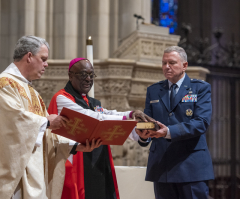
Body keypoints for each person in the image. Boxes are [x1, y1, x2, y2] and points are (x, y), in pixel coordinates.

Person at [0, 36, 101, 199]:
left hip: (34, 173)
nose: (46, 64)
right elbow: (13, 123)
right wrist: (47, 121)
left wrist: (76, 146)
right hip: (17, 179)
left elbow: (46, 134)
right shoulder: (5, 85)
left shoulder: (32, 92)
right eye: (43, 59)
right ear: (29, 57)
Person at [48, 57, 153, 199]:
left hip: (98, 162)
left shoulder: (92, 102)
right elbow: (92, 117)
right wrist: (128, 118)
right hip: (76, 165)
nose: (88, 79)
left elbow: (108, 115)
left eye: (91, 75)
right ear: (70, 75)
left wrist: (139, 129)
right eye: (83, 75)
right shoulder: (62, 98)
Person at [136, 46, 214, 199]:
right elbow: (149, 123)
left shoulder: (200, 88)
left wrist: (169, 132)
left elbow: (201, 122)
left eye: (172, 62)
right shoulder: (154, 90)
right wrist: (144, 135)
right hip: (162, 166)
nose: (167, 67)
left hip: (190, 165)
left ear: (184, 65)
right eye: (164, 63)